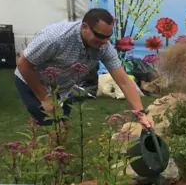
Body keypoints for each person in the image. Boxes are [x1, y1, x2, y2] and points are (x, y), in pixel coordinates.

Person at [15, 8, 154, 130]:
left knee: (64, 128)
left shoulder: (103, 46)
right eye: (99, 36)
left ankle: (55, 154)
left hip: (61, 87)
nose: (104, 42)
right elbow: (23, 64)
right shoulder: (55, 38)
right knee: (54, 130)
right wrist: (45, 98)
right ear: (85, 27)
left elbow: (123, 80)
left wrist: (140, 114)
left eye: (108, 37)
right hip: (32, 81)